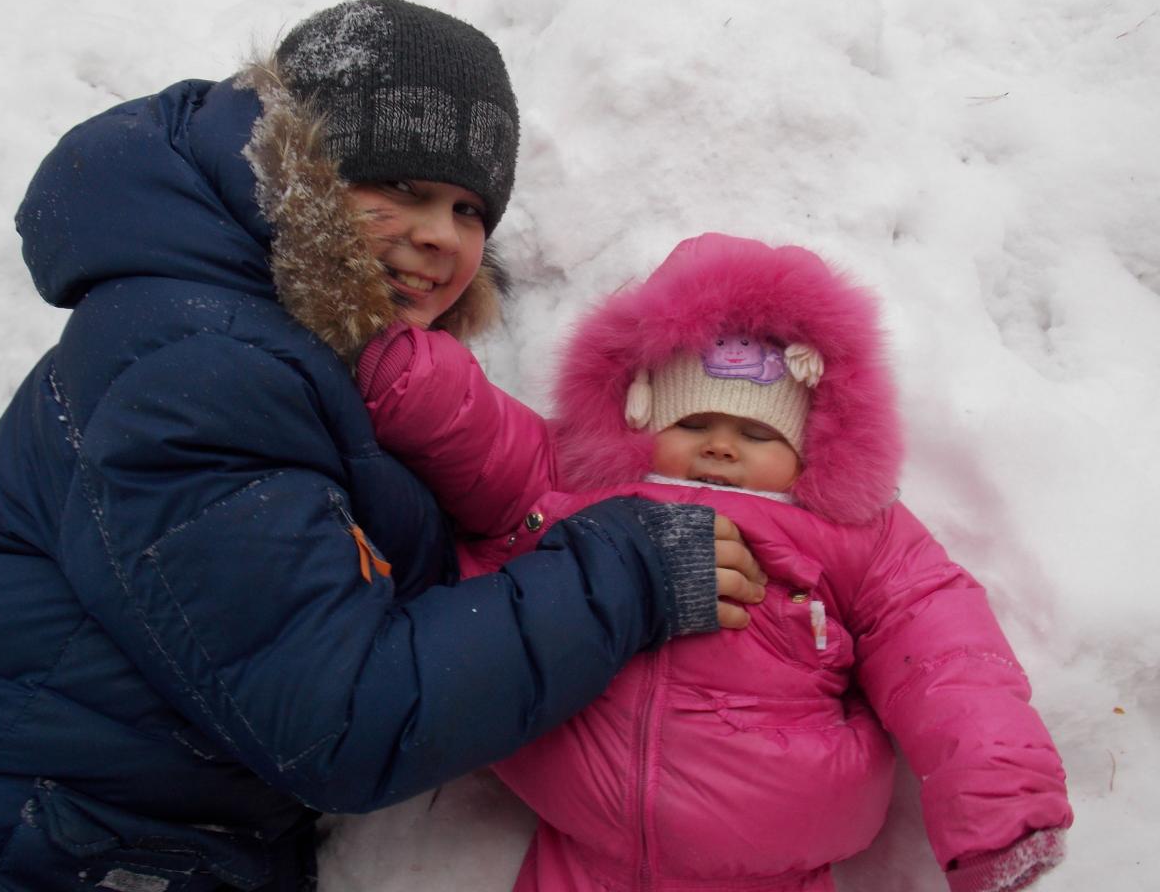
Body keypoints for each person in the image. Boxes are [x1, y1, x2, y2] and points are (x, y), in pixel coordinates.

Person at [0, 0, 766, 892]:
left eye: (468, 208)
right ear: (297, 174)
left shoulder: (278, 345)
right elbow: (340, 719)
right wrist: (626, 573)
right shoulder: (203, 365)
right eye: (401, 186)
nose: (441, 234)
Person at [358, 232, 1074, 892]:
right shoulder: (581, 479)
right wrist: (392, 364)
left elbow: (946, 656)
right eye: (694, 422)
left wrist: (1000, 799)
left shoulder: (853, 530)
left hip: (773, 833)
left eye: (757, 433)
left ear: (809, 445)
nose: (721, 447)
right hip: (584, 825)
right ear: (639, 416)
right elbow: (477, 429)